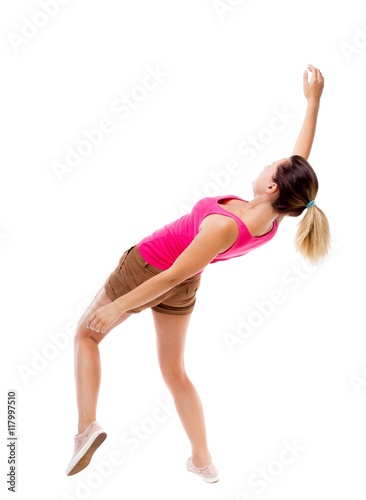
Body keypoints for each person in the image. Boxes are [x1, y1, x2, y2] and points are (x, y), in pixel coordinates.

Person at [65, 64, 330, 483]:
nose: (263, 168)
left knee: (86, 335)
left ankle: (85, 430)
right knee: (175, 372)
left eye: (269, 167)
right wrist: (313, 103)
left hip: (151, 267)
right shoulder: (272, 220)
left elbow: (169, 274)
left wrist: (119, 304)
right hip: (187, 283)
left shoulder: (225, 225)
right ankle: (202, 461)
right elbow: (299, 165)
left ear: (272, 188)